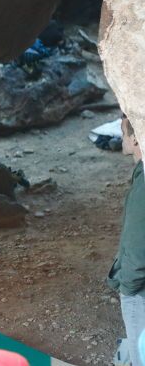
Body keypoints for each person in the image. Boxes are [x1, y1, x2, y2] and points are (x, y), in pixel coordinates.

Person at [108, 115, 145, 366]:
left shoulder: (143, 186)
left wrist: (127, 287)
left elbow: (137, 246)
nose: (121, 138)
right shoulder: (140, 172)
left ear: (135, 137)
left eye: (124, 132)